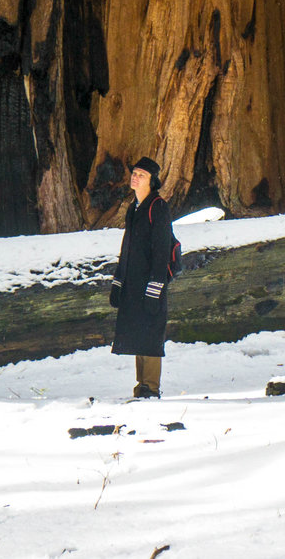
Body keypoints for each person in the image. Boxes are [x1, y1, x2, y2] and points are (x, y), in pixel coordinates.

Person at [109, 157, 177, 399]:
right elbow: (126, 246)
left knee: (150, 331)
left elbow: (162, 250)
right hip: (133, 281)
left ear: (152, 181)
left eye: (142, 175)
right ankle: (142, 385)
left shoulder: (158, 207)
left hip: (151, 282)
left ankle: (151, 386)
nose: (135, 177)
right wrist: (118, 281)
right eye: (134, 173)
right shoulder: (133, 207)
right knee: (138, 330)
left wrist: (155, 287)